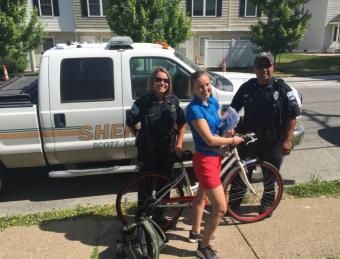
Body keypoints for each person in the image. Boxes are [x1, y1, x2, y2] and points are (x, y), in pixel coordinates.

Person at [230, 52, 301, 213]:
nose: (264, 69)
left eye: (267, 65)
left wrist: (288, 140)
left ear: (273, 67)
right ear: (254, 69)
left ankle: (267, 204)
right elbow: (233, 110)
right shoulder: (247, 87)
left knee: (270, 176)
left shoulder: (282, 88)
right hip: (248, 139)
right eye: (260, 66)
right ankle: (233, 205)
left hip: (273, 140)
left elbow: (292, 116)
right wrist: (228, 127)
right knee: (241, 174)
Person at [186, 71, 243, 259]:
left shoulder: (213, 102)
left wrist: (228, 130)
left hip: (216, 157)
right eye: (200, 86)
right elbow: (209, 139)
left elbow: (217, 127)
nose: (205, 89)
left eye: (207, 84)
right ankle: (203, 247)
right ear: (193, 89)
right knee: (220, 208)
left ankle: (195, 232)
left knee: (201, 199)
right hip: (205, 160)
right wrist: (233, 140)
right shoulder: (193, 109)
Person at [126, 66, 186, 222]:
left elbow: (182, 123)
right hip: (147, 149)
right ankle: (142, 218)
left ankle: (160, 217)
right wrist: (138, 135)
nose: (162, 83)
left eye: (165, 80)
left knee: (164, 185)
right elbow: (130, 122)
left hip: (168, 149)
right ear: (152, 81)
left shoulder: (173, 101)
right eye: (158, 79)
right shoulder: (142, 102)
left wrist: (179, 144)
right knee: (145, 185)